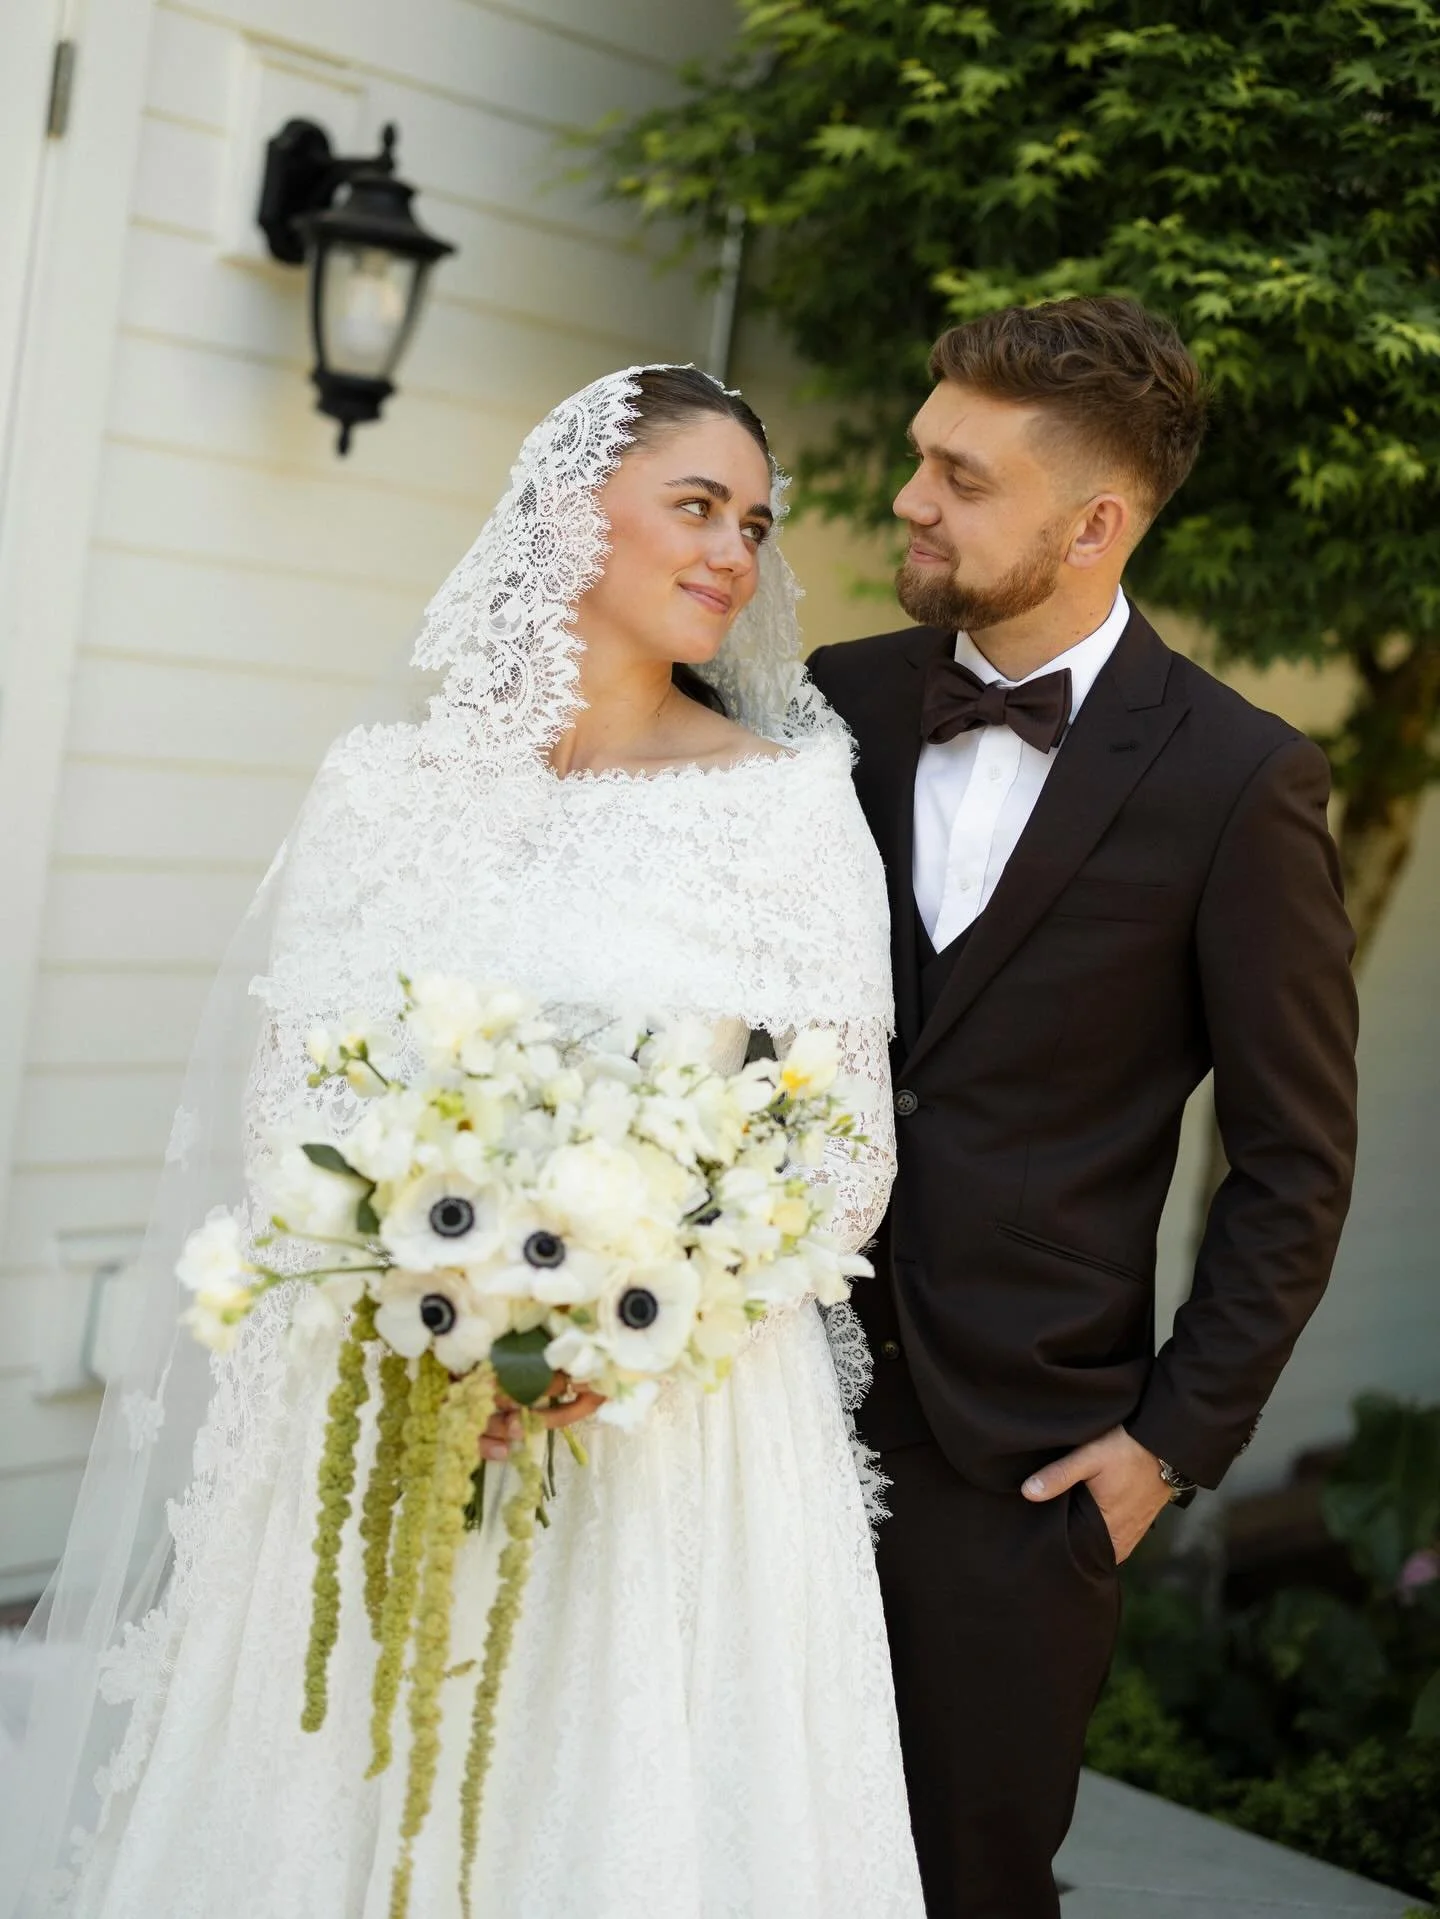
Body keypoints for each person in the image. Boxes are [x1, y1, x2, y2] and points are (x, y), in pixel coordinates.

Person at [0, 367, 925, 1917]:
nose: (734, 554)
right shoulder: (379, 790)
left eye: (753, 523)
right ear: (569, 510)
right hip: (373, 1390)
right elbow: (291, 1107)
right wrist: (437, 1313)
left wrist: (601, 1336)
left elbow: (839, 1156)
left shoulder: (782, 808)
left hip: (659, 1429)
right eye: (695, 505)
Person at [807, 296, 1360, 1919]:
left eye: (960, 477)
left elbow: (1294, 1161)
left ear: (1093, 523)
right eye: (922, 455)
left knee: (969, 1884)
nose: (911, 497)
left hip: (1025, 1475)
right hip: (765, 1408)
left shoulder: (1239, 783)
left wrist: (1165, 1451)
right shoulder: (828, 703)